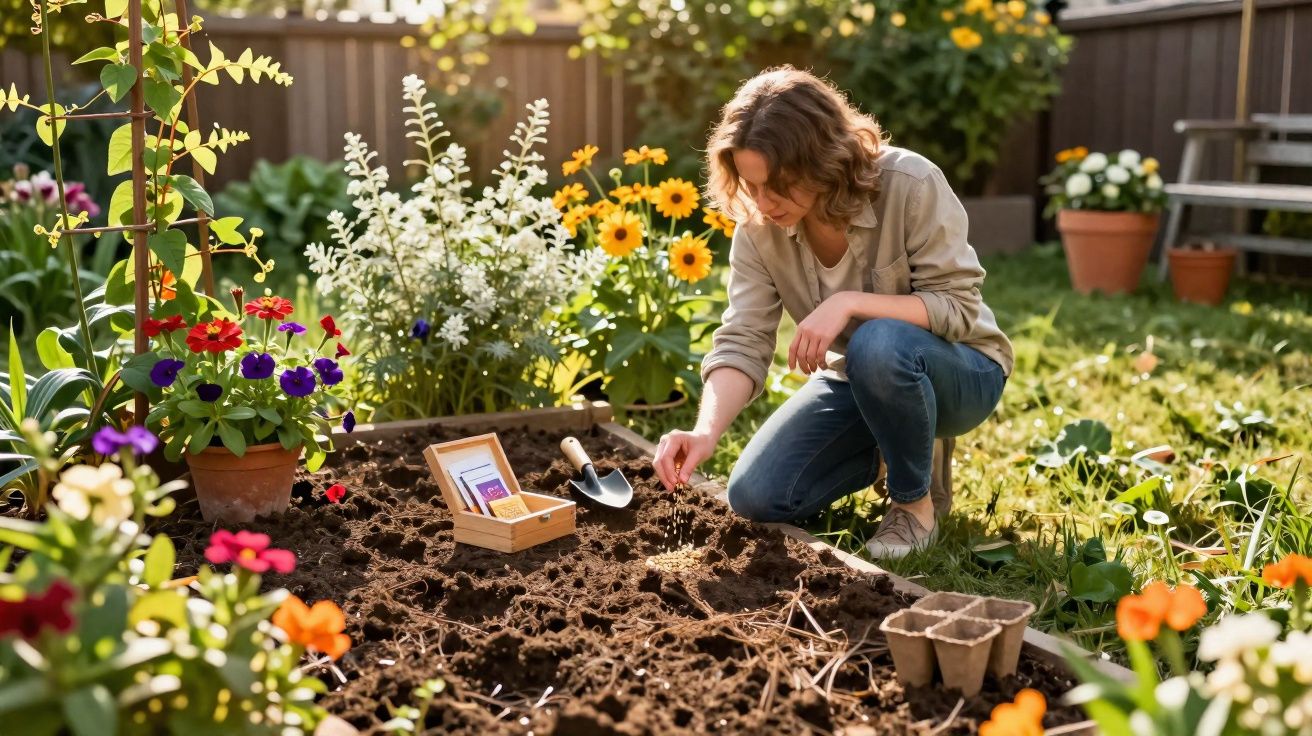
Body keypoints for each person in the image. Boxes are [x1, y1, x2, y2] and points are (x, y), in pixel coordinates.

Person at [652, 67, 1013, 559]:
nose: (762, 202)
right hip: (859, 377)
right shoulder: (758, 230)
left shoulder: (911, 183)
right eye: (750, 184)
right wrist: (705, 431)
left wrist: (848, 303)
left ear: (820, 159)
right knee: (756, 496)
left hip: (961, 370)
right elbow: (744, 339)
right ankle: (896, 439)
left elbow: (958, 309)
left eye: (776, 184)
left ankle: (914, 508)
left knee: (877, 342)